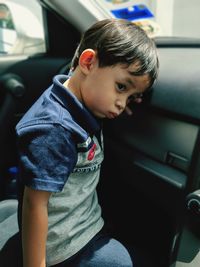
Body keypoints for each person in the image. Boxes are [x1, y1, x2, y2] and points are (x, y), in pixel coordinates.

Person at [16, 18, 159, 267]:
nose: (121, 103)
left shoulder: (79, 99)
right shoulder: (55, 128)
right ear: (88, 62)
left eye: (132, 97)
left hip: (82, 221)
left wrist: (118, 93)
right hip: (65, 246)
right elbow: (34, 204)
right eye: (121, 87)